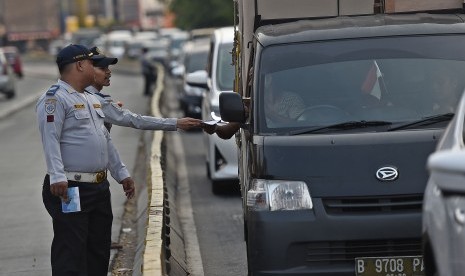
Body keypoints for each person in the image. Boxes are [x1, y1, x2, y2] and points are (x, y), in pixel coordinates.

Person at [35, 44, 135, 276]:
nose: (97, 67)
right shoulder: (55, 99)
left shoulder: (90, 99)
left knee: (98, 250)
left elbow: (104, 139)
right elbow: (50, 139)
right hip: (71, 188)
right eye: (92, 63)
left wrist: (121, 174)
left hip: (98, 188)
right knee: (71, 250)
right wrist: (58, 177)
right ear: (80, 65)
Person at [85, 46, 202, 132]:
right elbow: (135, 120)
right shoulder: (93, 99)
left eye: (108, 67)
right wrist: (176, 123)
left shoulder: (92, 96)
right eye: (102, 68)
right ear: (87, 70)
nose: (109, 72)